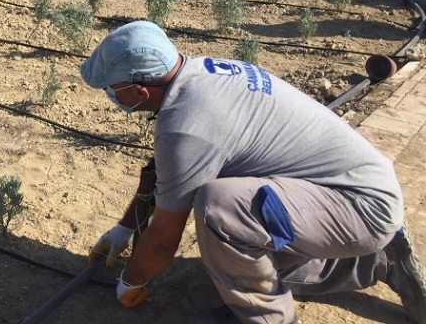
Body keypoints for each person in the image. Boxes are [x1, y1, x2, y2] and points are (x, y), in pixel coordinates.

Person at [80, 20, 426, 324]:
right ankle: (377, 262)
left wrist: (131, 281)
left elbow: (163, 241)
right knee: (239, 241)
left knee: (221, 210)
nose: (111, 96)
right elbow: (168, 173)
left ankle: (271, 318)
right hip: (353, 188)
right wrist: (126, 227)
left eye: (113, 89)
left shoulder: (186, 125)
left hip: (358, 207)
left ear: (141, 90)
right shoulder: (204, 73)